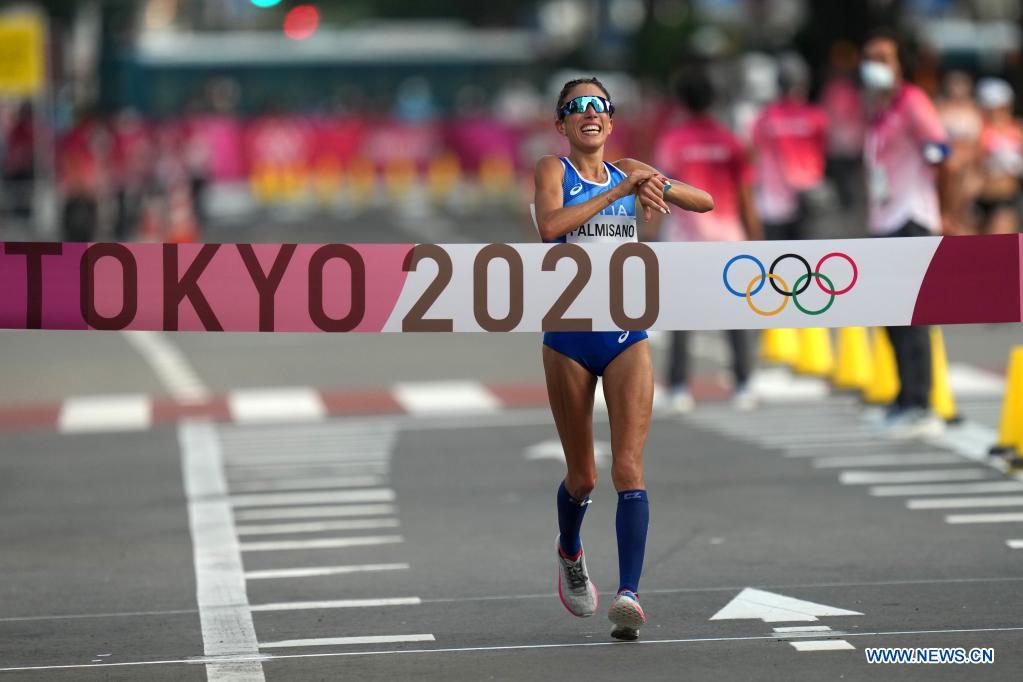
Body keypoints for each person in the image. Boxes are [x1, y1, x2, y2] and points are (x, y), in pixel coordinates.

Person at [533, 77, 713, 640]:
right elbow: (550, 227)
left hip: (625, 331)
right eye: (577, 107)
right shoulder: (553, 169)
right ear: (562, 124)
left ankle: (629, 595)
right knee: (584, 477)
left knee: (628, 468)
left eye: (599, 106)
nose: (589, 112)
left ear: (611, 121)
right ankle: (570, 550)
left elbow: (704, 201)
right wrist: (618, 194)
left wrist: (656, 184)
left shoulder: (628, 169)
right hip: (568, 335)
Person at [860, 30, 954, 439]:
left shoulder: (913, 103)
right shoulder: (880, 110)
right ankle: (903, 398)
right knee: (888, 316)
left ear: (900, 64)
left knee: (913, 316)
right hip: (884, 221)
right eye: (869, 58)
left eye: (883, 57)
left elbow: (942, 154)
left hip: (911, 218)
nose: (874, 65)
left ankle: (921, 405)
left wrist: (945, 212)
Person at [654, 67, 763, 413]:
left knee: (680, 315)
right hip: (728, 238)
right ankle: (743, 383)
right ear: (713, 100)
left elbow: (659, 191)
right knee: (735, 314)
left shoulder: (673, 141)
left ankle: (678, 387)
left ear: (681, 101)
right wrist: (757, 237)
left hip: (683, 241)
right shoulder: (730, 141)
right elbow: (745, 195)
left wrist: (650, 235)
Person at [751, 52, 828, 241]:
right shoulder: (815, 116)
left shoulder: (766, 117)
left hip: (773, 204)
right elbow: (823, 151)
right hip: (809, 199)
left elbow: (755, 155)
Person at [973, 77, 1023, 235]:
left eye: (1001, 109)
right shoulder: (976, 131)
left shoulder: (1018, 130)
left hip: (1005, 199)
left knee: (1000, 233)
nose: (997, 114)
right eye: (992, 109)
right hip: (978, 199)